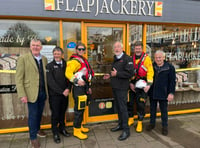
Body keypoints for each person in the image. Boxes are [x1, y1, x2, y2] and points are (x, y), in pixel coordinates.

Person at [15, 39, 48, 148]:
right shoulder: (23, 58)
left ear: (41, 47)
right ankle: (33, 137)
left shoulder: (44, 59)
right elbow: (19, 78)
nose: (35, 47)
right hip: (30, 93)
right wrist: (22, 94)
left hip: (42, 92)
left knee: (39, 113)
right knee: (33, 116)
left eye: (37, 45)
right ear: (30, 46)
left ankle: (38, 129)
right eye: (33, 45)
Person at [103, 41, 134, 141]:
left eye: (118, 47)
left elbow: (130, 73)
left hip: (122, 88)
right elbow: (114, 72)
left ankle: (126, 130)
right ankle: (120, 125)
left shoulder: (127, 58)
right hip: (115, 87)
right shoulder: (115, 58)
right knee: (118, 108)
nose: (116, 49)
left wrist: (117, 74)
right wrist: (110, 75)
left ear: (122, 48)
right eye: (115, 47)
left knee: (123, 108)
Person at [65, 42, 94, 140]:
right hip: (78, 88)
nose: (81, 51)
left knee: (82, 109)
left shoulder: (83, 60)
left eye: (83, 49)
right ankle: (76, 130)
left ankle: (80, 126)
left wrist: (88, 86)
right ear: (76, 50)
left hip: (84, 87)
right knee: (78, 110)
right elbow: (68, 73)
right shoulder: (74, 61)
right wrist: (76, 80)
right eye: (79, 49)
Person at [146, 50, 176, 136]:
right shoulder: (151, 66)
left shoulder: (170, 67)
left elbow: (172, 82)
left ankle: (165, 127)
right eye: (156, 57)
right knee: (152, 109)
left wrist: (171, 93)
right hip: (153, 92)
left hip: (164, 92)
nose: (158, 59)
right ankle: (152, 124)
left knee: (164, 111)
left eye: (159, 57)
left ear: (163, 57)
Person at [46, 47, 71, 143]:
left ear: (62, 54)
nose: (56, 55)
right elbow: (50, 82)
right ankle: (55, 132)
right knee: (55, 114)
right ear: (53, 55)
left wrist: (68, 88)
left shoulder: (66, 64)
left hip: (65, 94)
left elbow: (70, 78)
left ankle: (62, 129)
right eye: (55, 53)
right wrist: (61, 91)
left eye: (58, 53)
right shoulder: (49, 66)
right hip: (55, 95)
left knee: (62, 112)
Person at [127, 41, 154, 133]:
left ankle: (139, 122)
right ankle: (130, 118)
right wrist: (130, 83)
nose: (137, 49)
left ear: (142, 49)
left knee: (140, 104)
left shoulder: (147, 59)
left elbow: (150, 72)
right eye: (136, 48)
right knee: (129, 102)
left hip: (142, 84)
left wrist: (149, 85)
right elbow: (129, 72)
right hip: (132, 83)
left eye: (139, 48)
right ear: (134, 49)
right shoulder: (131, 58)